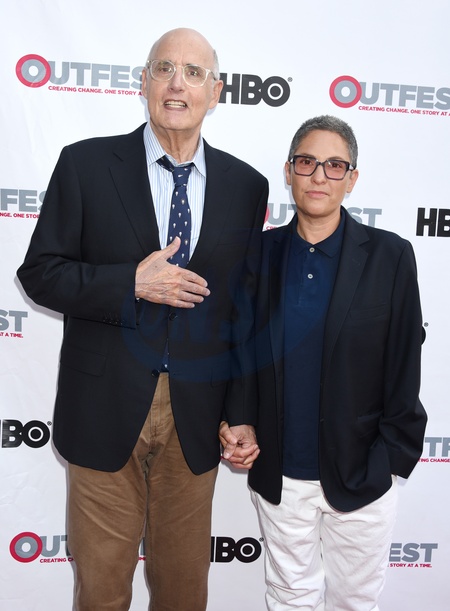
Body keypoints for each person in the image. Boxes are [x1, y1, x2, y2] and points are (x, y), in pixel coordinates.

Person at [17, 28, 267, 611]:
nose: (177, 83)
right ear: (144, 82)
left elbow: (244, 313)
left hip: (197, 419)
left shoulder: (246, 186)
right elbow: (41, 273)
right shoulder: (85, 165)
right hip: (103, 409)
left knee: (183, 594)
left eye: (194, 72)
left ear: (216, 92)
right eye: (164, 68)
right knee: (102, 593)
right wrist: (129, 282)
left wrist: (241, 412)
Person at [220, 115, 427, 610]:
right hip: (281, 472)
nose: (319, 176)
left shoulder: (390, 256)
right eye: (307, 162)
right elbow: (240, 350)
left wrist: (390, 458)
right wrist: (239, 418)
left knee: (355, 601)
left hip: (362, 472)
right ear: (288, 171)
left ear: (352, 179)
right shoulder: (258, 253)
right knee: (290, 596)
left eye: (335, 165)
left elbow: (404, 359)